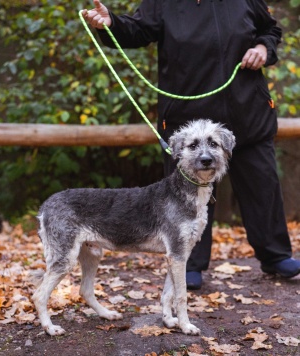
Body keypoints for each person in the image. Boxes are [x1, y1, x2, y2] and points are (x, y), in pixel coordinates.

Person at [82, 0, 300, 289]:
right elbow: (137, 31)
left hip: (248, 113)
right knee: (185, 197)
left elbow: (269, 29)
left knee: (263, 186)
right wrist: (112, 24)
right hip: (188, 121)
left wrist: (263, 49)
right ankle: (191, 264)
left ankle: (275, 256)